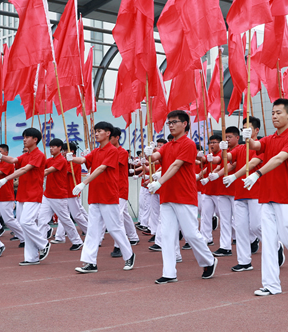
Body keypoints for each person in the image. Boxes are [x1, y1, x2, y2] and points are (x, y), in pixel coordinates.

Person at [234, 99, 288, 295]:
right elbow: (256, 145)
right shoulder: (270, 138)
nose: (274, 116)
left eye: (279, 113)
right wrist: (247, 137)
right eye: (272, 113)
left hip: (287, 197)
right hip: (267, 197)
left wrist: (257, 173)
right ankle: (271, 285)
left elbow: (279, 158)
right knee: (269, 242)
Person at [144, 111, 217, 284]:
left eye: (174, 122)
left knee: (191, 234)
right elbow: (155, 157)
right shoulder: (167, 145)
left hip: (184, 195)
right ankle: (169, 272)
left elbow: (176, 164)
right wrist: (148, 153)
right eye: (169, 122)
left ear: (185, 124)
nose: (170, 124)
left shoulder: (189, 144)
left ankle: (209, 260)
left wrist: (159, 182)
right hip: (167, 196)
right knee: (167, 236)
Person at [68, 122, 135, 273]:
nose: (96, 134)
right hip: (95, 195)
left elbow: (101, 168)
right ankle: (90, 262)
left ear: (108, 133)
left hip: (108, 195)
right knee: (92, 230)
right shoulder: (96, 151)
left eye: (99, 131)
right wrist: (71, 158)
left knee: (114, 228)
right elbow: (84, 160)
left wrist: (83, 183)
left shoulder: (113, 151)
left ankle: (129, 255)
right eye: (95, 131)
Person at [0, 128, 49, 265]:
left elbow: (24, 169)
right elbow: (13, 160)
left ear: (35, 139)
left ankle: (43, 243)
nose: (24, 139)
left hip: (33, 194)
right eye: (23, 137)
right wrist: (1, 157)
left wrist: (6, 179)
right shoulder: (25, 155)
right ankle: (31, 257)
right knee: (24, 225)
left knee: (26, 222)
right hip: (22, 195)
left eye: (27, 137)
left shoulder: (39, 155)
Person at [218, 124, 262, 272]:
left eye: (249, 128)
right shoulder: (240, 148)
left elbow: (253, 163)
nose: (246, 131)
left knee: (256, 226)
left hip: (256, 192)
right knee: (241, 229)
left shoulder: (261, 147)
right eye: (244, 128)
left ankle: (276, 246)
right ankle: (244, 261)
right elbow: (227, 158)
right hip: (240, 193)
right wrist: (223, 149)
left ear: (256, 130)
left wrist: (234, 176)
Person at [36, 139, 82, 250]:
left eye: (54, 147)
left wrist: (32, 175)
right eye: (50, 146)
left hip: (59, 195)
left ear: (60, 148)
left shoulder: (62, 160)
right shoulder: (49, 160)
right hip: (47, 195)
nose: (51, 148)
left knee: (65, 219)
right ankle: (41, 243)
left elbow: (47, 171)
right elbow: (41, 166)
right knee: (42, 219)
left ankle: (77, 241)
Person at [0, 143, 26, 246]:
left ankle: (25, 238)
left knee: (9, 220)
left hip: (5, 197)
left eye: (0, 152)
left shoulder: (9, 163)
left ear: (6, 153)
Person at [110, 127, 139, 257]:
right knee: (124, 214)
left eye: (110, 138)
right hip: (112, 188)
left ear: (117, 138)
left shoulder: (122, 152)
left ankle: (119, 245)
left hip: (120, 188)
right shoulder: (109, 151)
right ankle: (133, 237)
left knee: (118, 216)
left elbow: (111, 164)